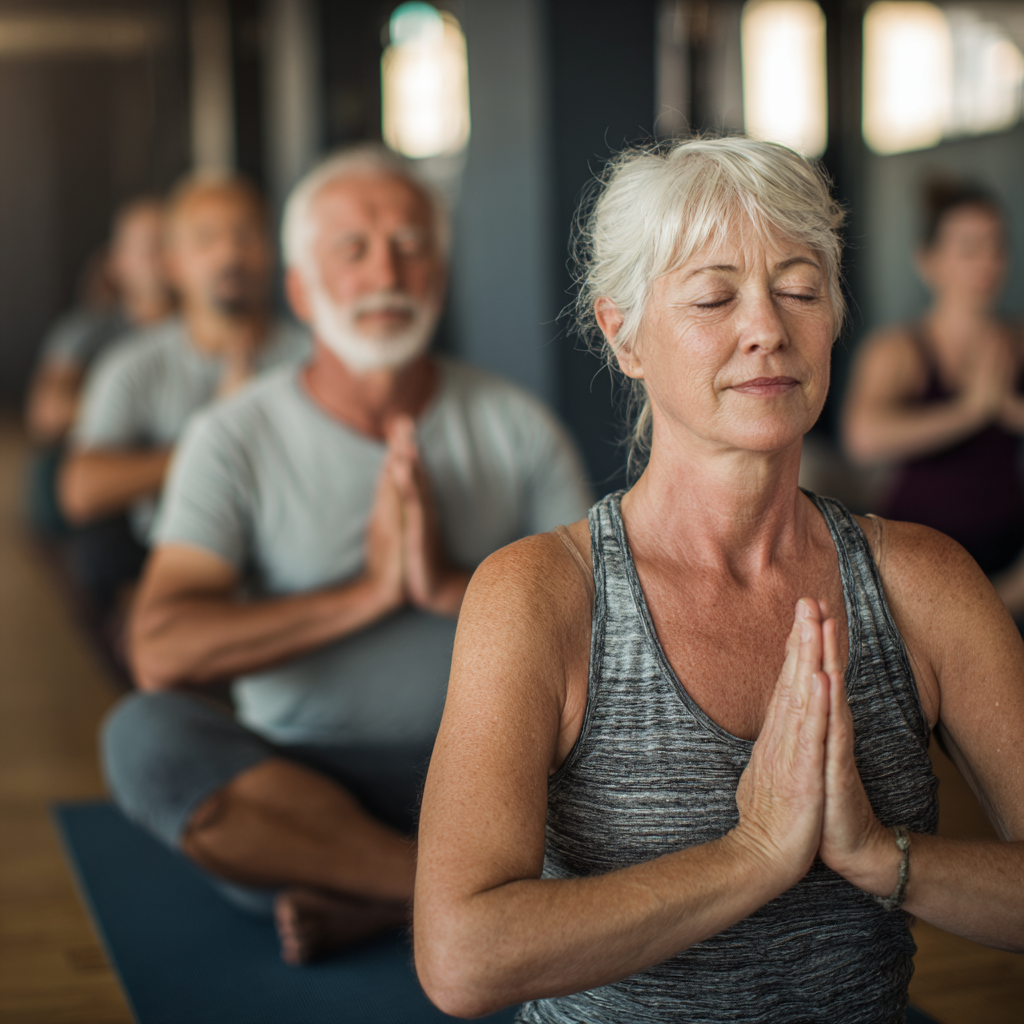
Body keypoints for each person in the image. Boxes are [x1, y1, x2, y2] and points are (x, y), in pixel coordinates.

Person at [413, 139, 1024, 1022]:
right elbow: (462, 957)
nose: (767, 327)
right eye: (713, 295)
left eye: (800, 288)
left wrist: (883, 856)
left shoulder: (923, 582)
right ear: (622, 335)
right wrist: (756, 853)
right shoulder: (542, 596)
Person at [100, 146, 591, 965]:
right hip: (301, 792)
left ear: (440, 269)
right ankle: (442, 896)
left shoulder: (516, 424)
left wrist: (441, 586)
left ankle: (387, 898)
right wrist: (366, 591)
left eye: (409, 244)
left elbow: (604, 635)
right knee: (144, 738)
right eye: (352, 250)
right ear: (300, 288)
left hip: (496, 777)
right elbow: (159, 650)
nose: (385, 272)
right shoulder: (232, 437)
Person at [58, 175, 309, 619]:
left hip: (295, 565)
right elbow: (80, 489)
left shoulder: (315, 358)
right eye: (206, 239)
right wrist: (214, 434)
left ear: (272, 251)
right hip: (173, 563)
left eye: (246, 235)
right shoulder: (133, 365)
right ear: (173, 264)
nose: (230, 253)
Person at [842, 181, 1024, 616]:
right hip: (918, 557)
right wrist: (970, 411)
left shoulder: (1017, 343)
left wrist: (1007, 409)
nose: (988, 261)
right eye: (969, 248)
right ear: (929, 261)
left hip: (1009, 558)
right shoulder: (899, 349)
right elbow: (862, 439)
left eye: (997, 246)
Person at [24, 198, 173, 535]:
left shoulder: (197, 333)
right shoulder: (86, 331)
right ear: (117, 261)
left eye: (167, 244)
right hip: (112, 464)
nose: (159, 258)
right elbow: (47, 412)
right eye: (146, 247)